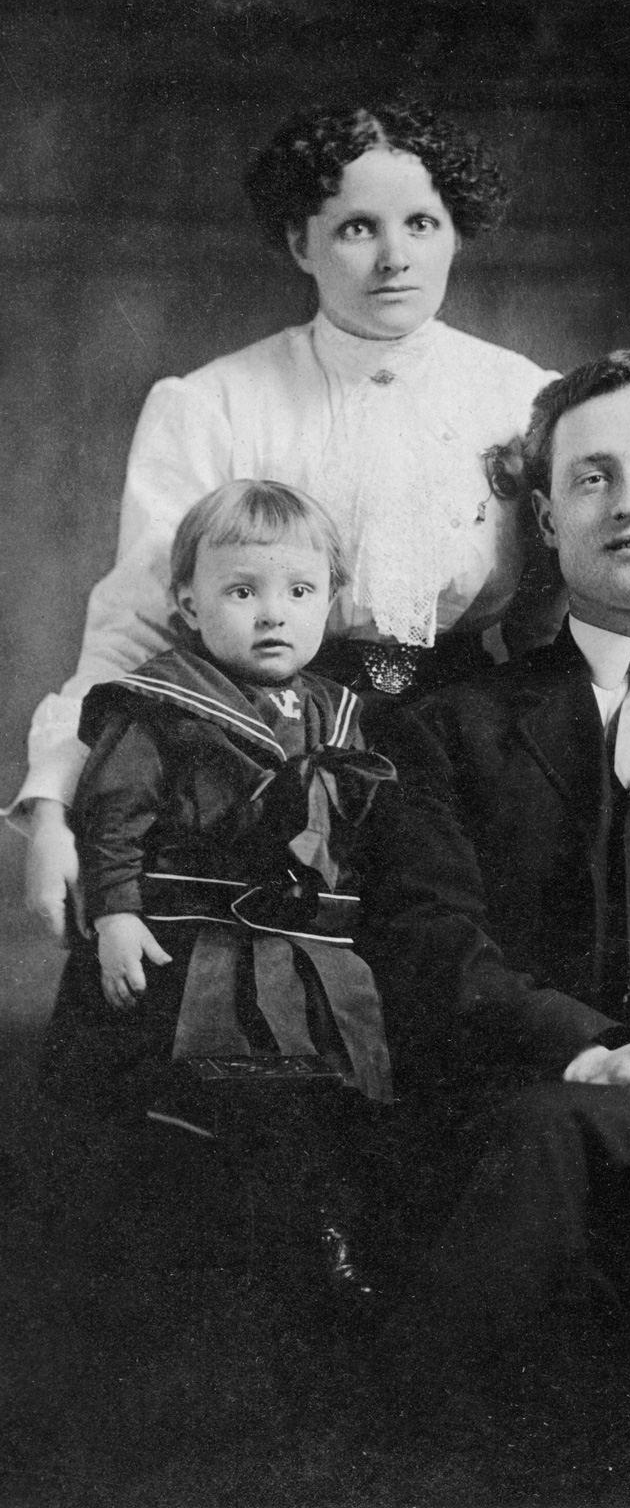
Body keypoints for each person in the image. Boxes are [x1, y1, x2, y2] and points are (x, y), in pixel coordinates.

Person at [16, 98, 558, 942]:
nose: (394, 257)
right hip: (253, 742)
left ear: (457, 234)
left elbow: (562, 613)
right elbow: (133, 631)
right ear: (302, 243)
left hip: (463, 736)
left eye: (421, 223)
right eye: (357, 228)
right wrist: (53, 805)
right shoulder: (216, 403)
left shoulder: (525, 398)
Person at [373, 346, 630, 1405]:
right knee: (543, 1139)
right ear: (549, 522)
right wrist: (593, 1050)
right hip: (525, 1128)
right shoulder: (444, 730)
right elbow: (430, 941)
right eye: (593, 478)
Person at [40, 480, 408, 1293]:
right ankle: (178, 1259)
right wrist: (116, 917)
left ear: (330, 602)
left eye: (299, 592)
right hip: (187, 946)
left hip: (298, 952)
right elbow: (112, 821)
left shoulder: (335, 713)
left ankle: (308, 1243)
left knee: (316, 1100)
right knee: (183, 1106)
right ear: (189, 603)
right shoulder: (163, 705)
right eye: (243, 592)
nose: (273, 614)